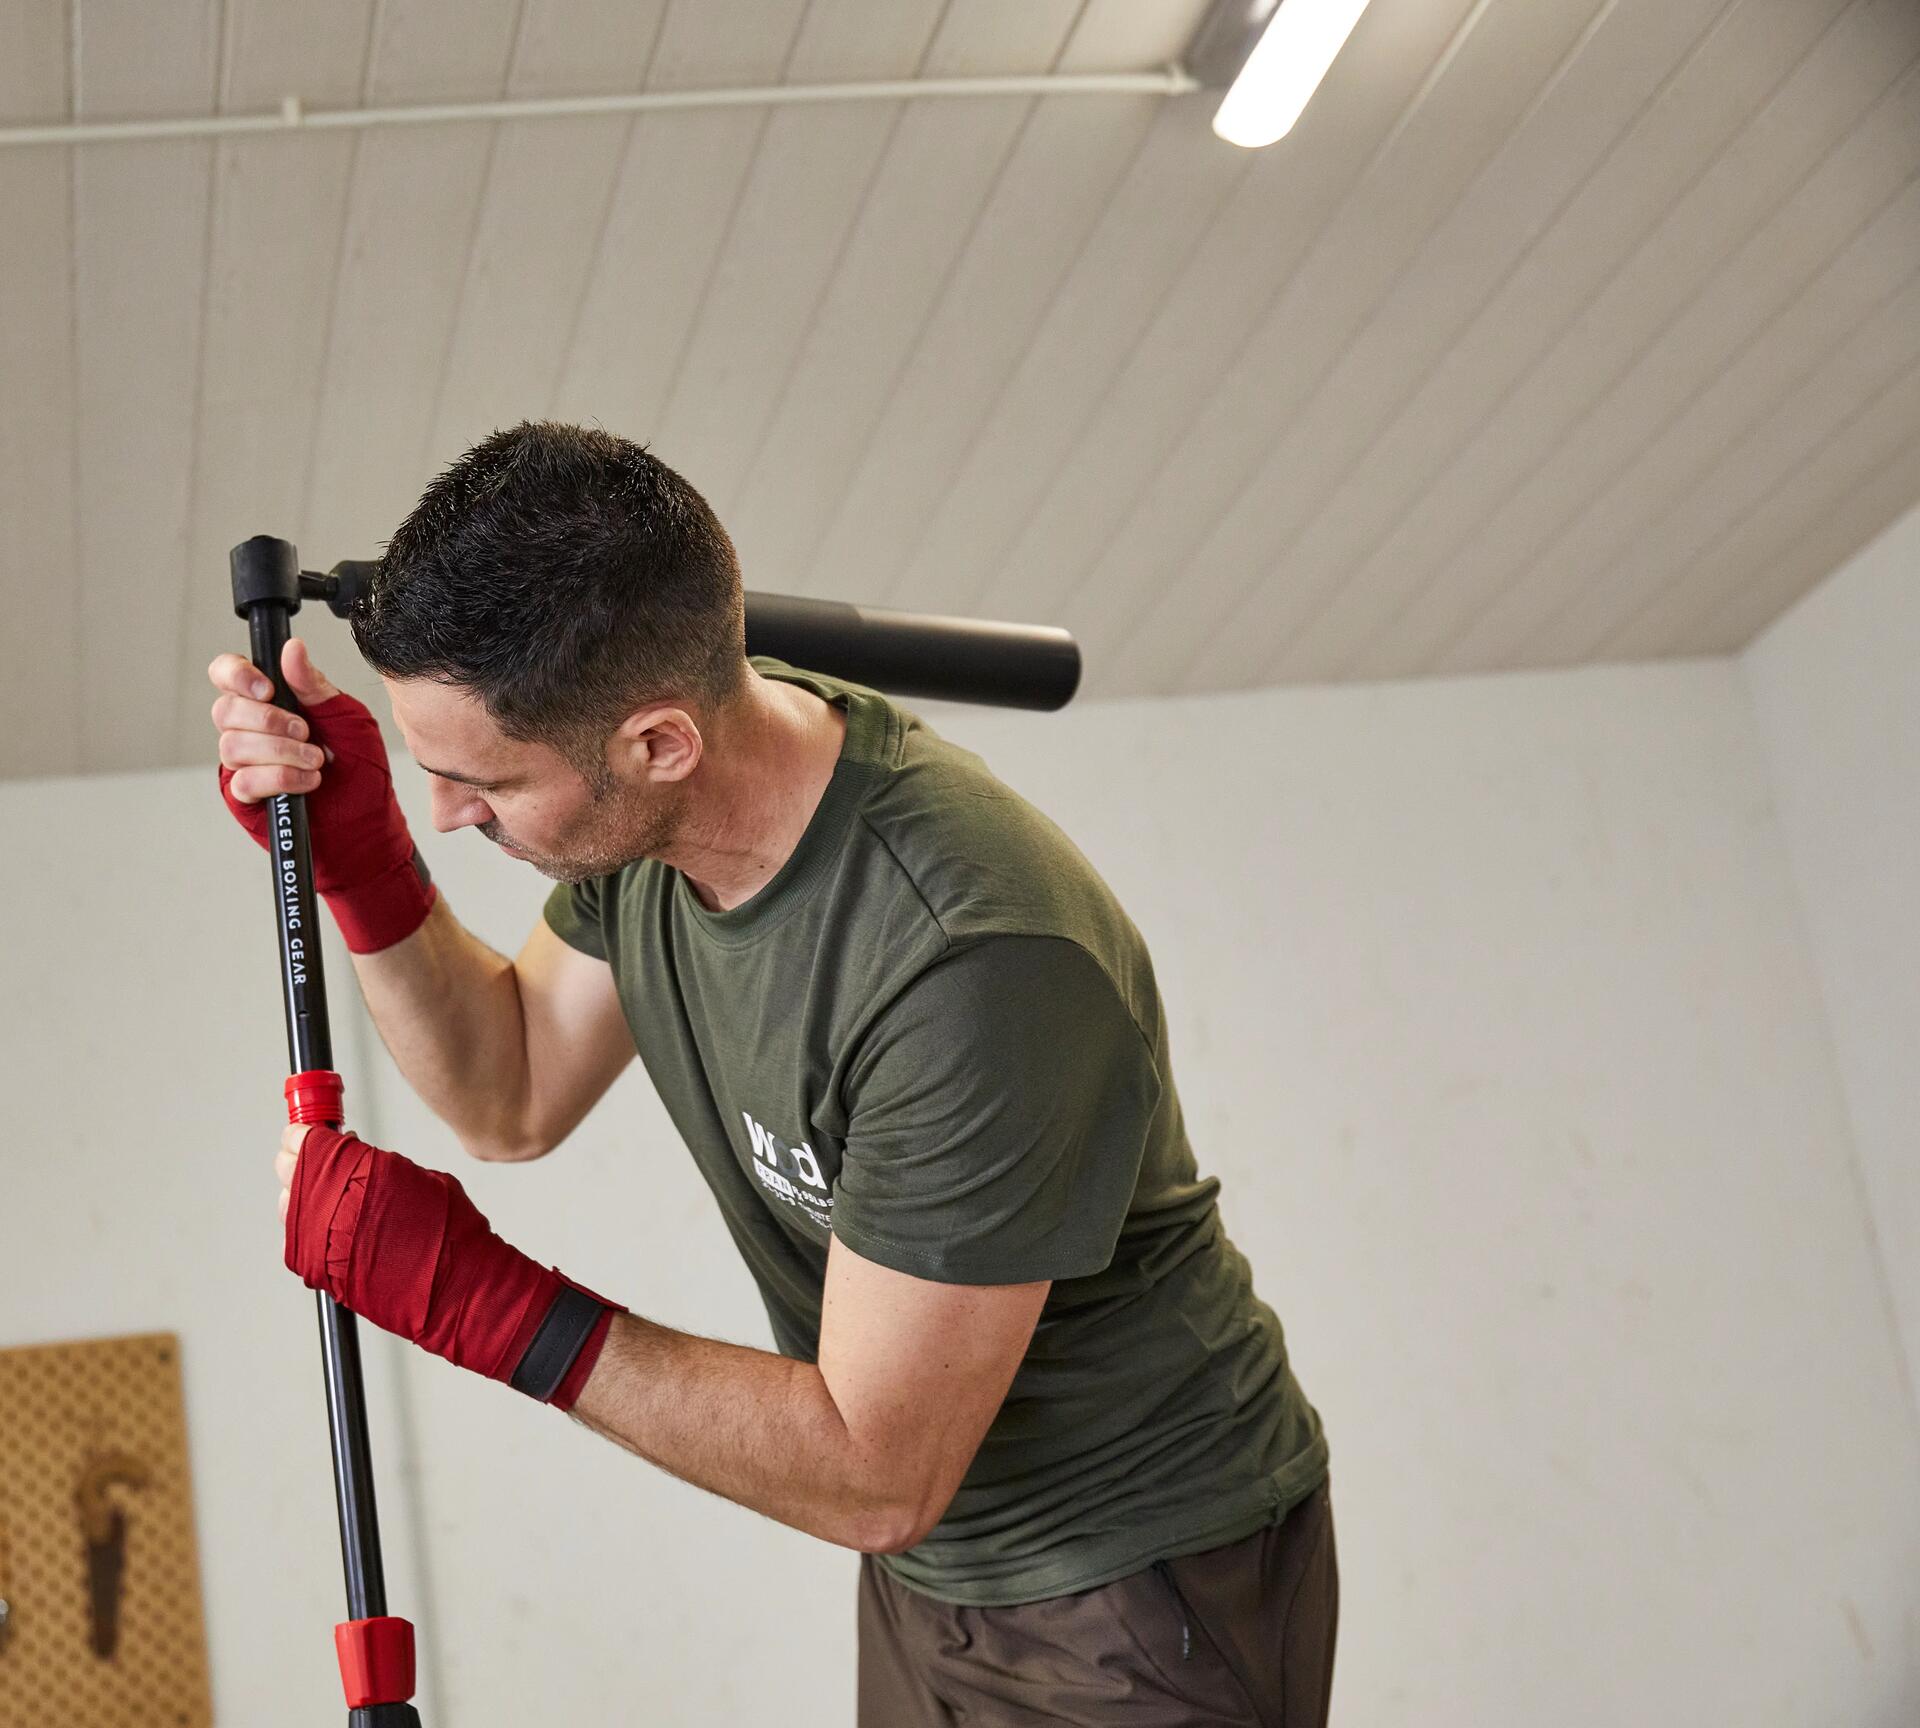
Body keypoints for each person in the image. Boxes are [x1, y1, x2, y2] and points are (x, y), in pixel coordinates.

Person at [209, 421, 1336, 1725]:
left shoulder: (969, 964)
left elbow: (874, 1467)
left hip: (1141, 1582)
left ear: (658, 747)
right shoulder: (649, 817)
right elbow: (507, 1087)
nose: (452, 814)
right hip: (932, 1564)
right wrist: (363, 864)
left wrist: (481, 1300)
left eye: (479, 783)